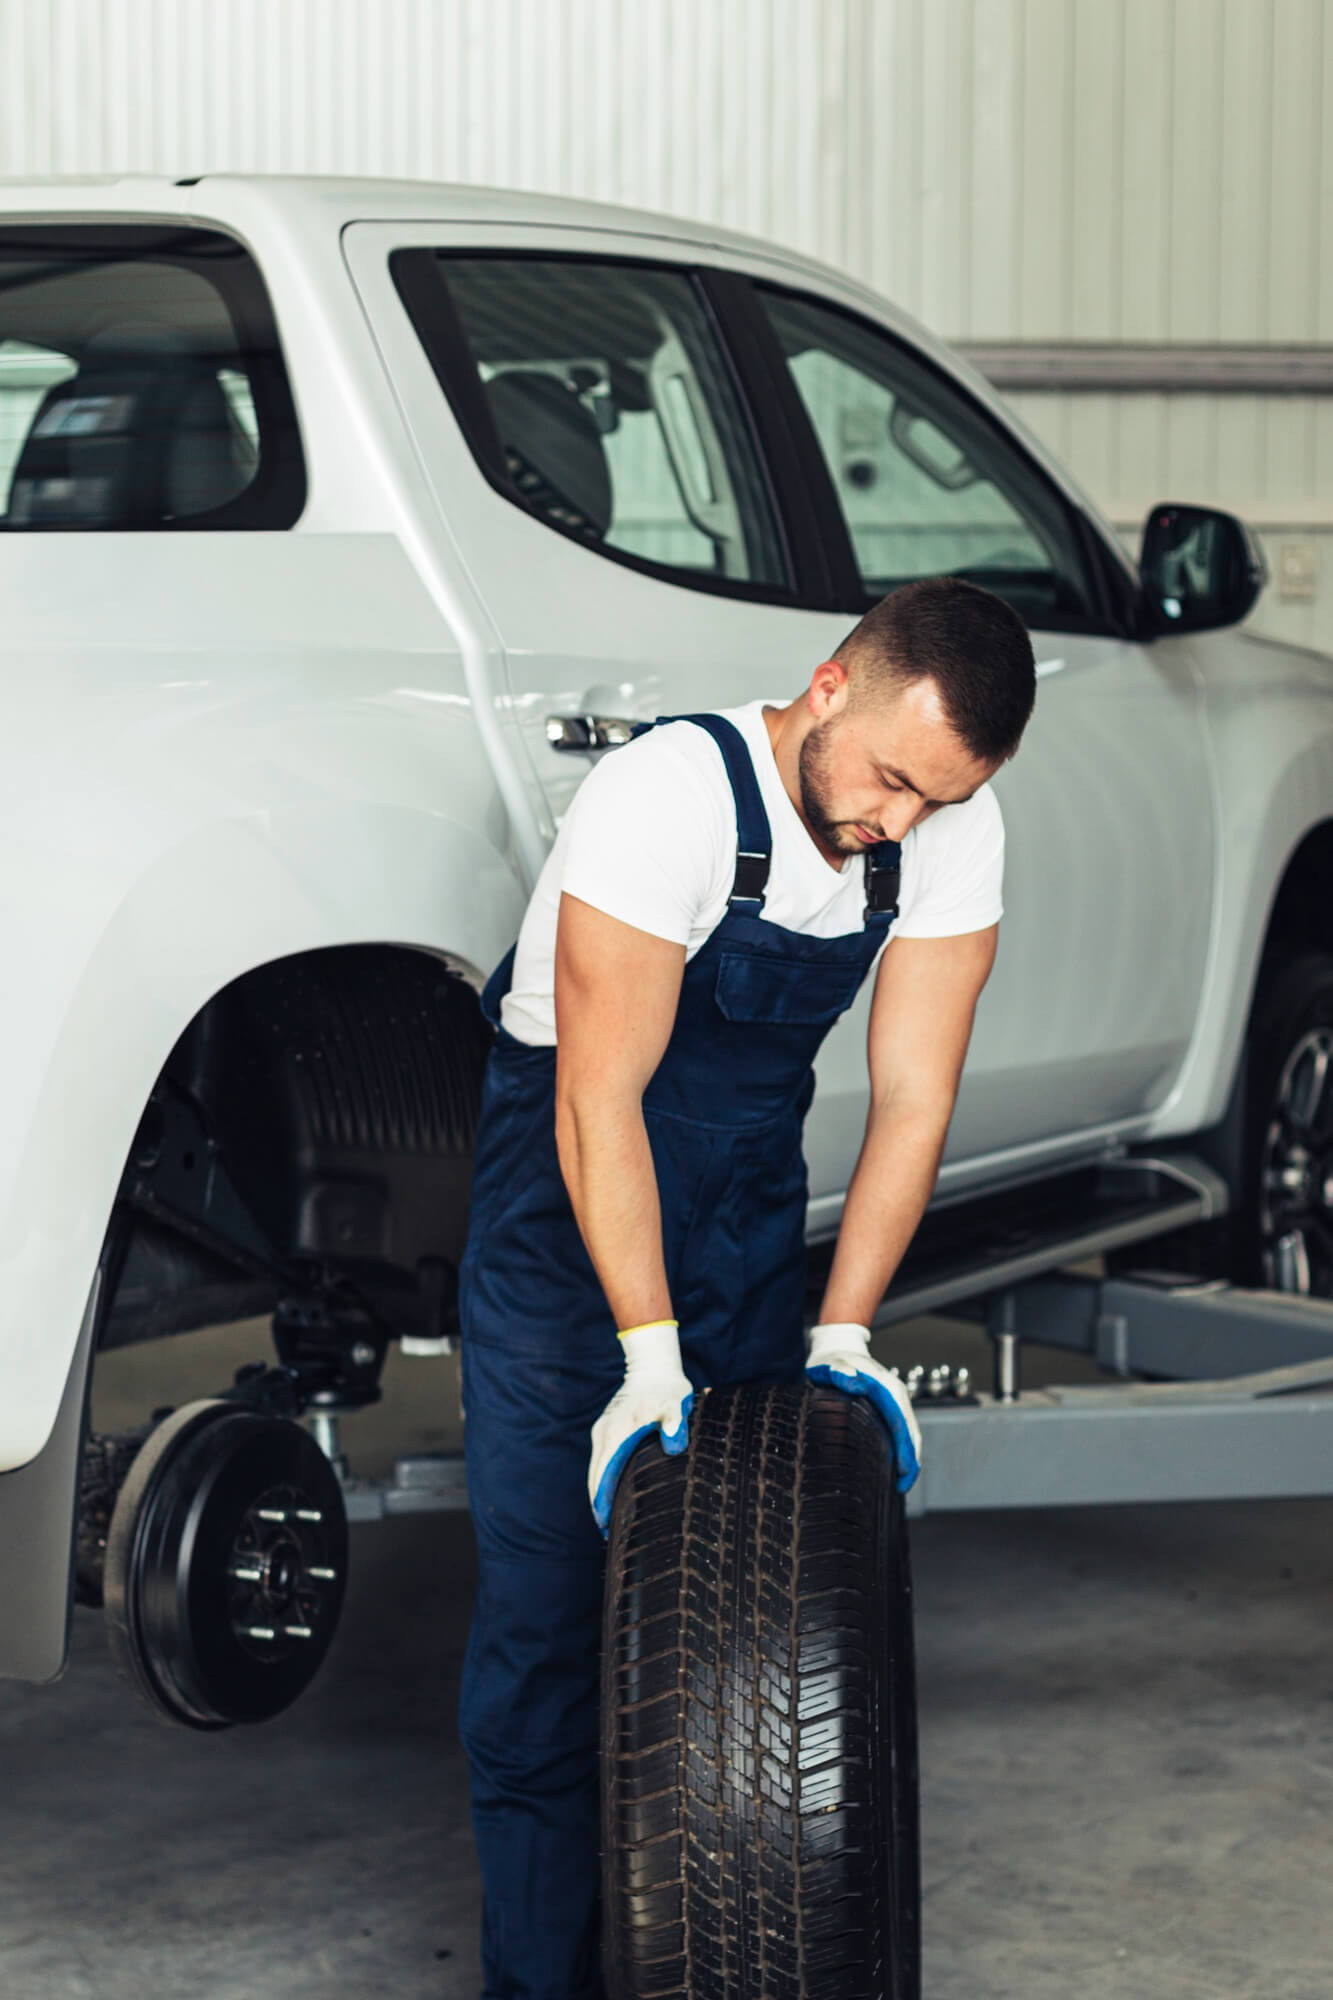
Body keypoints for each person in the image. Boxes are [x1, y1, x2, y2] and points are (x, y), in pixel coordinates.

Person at [457, 575, 1036, 1999]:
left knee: (742, 1630)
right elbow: (599, 1101)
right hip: (565, 1225)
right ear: (830, 688)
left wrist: (843, 1328)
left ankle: (720, 1966)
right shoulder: (667, 799)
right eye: (895, 781)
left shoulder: (941, 822)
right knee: (547, 1638)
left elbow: (910, 1100)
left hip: (745, 1233)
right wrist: (646, 1358)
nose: (898, 824)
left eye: (938, 802)